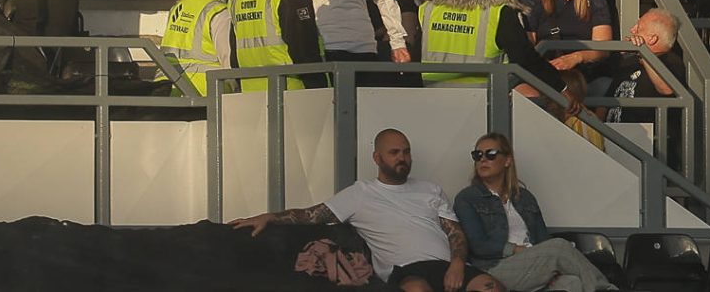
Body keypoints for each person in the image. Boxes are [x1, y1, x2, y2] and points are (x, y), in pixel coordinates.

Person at [235, 129, 469, 292]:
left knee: (492, 287)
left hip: (450, 266)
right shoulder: (359, 194)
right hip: (408, 272)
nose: (402, 158)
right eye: (394, 153)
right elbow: (312, 215)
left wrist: (457, 264)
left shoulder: (431, 190)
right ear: (377, 158)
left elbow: (455, 233)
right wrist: (270, 217)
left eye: (406, 152)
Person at [452, 132, 617, 291]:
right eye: (477, 155)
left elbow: (542, 238)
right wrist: (517, 250)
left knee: (572, 283)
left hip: (532, 264)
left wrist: (546, 264)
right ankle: (605, 289)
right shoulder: (467, 198)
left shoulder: (524, 197)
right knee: (559, 246)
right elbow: (478, 245)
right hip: (494, 268)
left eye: (491, 154)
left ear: (507, 160)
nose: (483, 160)